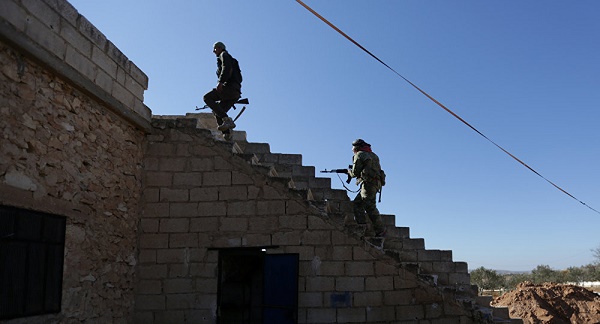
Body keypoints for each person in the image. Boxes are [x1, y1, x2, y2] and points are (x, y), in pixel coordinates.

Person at [203, 41, 242, 139]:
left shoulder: (224, 55)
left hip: (230, 88)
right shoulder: (230, 58)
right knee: (218, 111)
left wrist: (221, 82)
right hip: (235, 92)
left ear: (220, 48)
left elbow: (226, 68)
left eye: (215, 48)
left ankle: (227, 120)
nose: (213, 51)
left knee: (207, 98)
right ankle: (227, 134)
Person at [348, 139, 386, 237]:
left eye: (353, 147)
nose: (352, 150)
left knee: (370, 206)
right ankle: (362, 227)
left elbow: (355, 173)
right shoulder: (374, 155)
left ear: (356, 147)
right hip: (375, 183)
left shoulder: (360, 154)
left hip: (368, 184)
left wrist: (348, 172)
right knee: (357, 204)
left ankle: (380, 231)